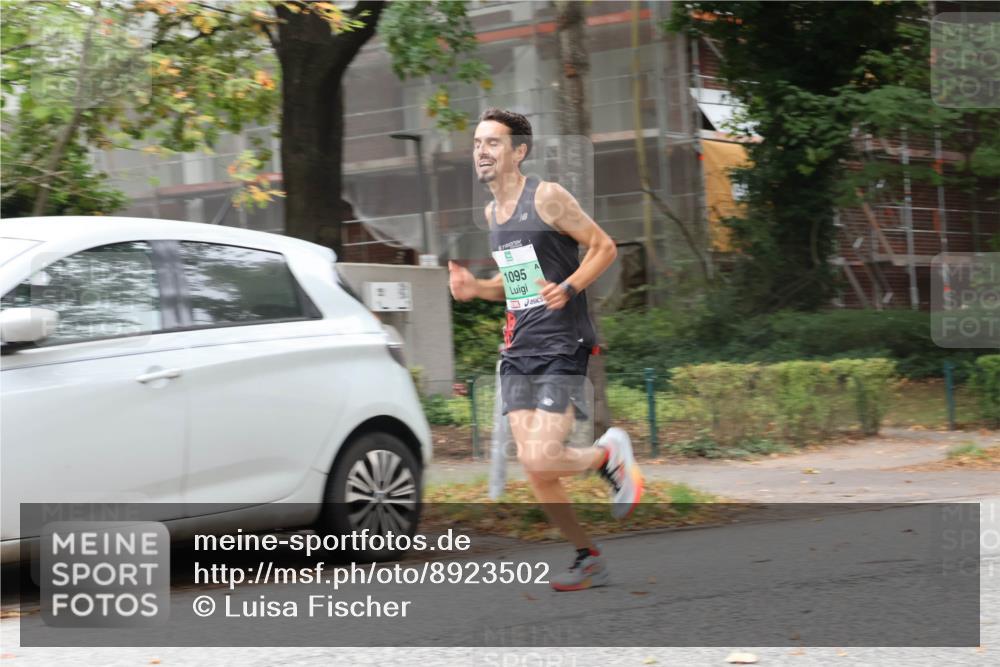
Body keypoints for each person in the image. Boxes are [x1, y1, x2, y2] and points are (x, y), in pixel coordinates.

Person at [448, 108, 643, 592]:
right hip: (518, 348)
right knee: (537, 472)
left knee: (540, 457)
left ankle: (607, 455)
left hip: (561, 343)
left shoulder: (548, 197)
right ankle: (587, 556)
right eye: (477, 143)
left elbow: (603, 246)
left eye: (493, 142)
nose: (482, 151)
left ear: (519, 151)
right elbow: (518, 286)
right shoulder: (494, 214)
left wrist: (570, 287)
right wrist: (477, 289)